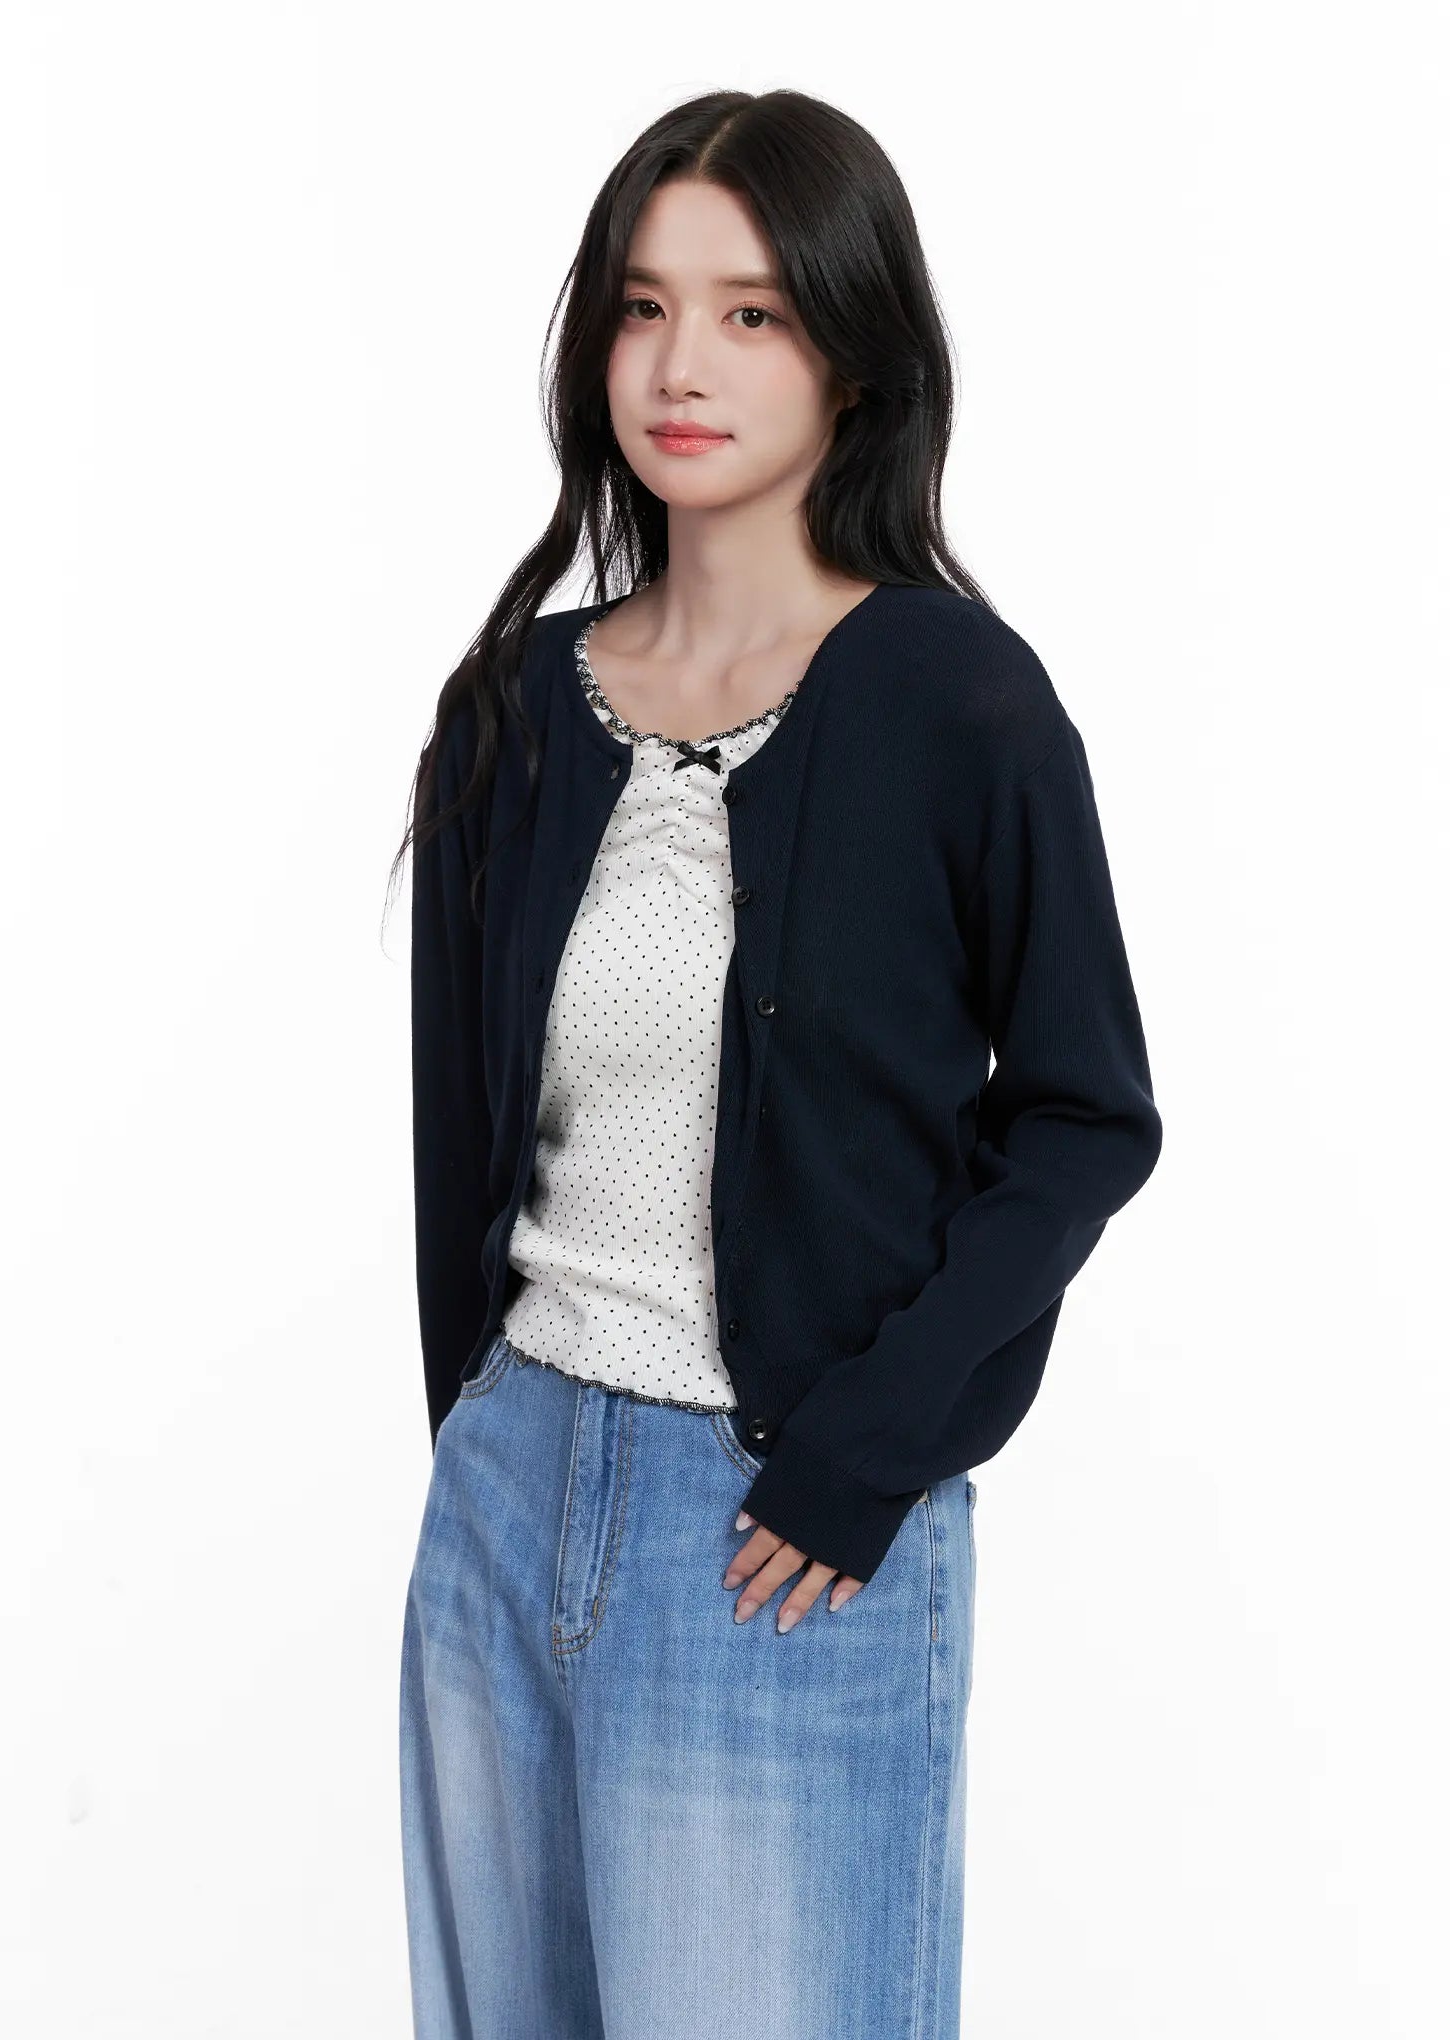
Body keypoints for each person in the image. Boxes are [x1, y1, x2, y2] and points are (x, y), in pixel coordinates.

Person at [388, 86, 1162, 2039]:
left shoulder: (959, 700)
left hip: (776, 1530)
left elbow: (1086, 1115)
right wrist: (476, 1433)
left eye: (753, 315)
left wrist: (865, 1452)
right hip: (505, 1506)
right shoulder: (517, 707)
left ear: (855, 356)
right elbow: (458, 1133)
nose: (683, 365)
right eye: (645, 307)